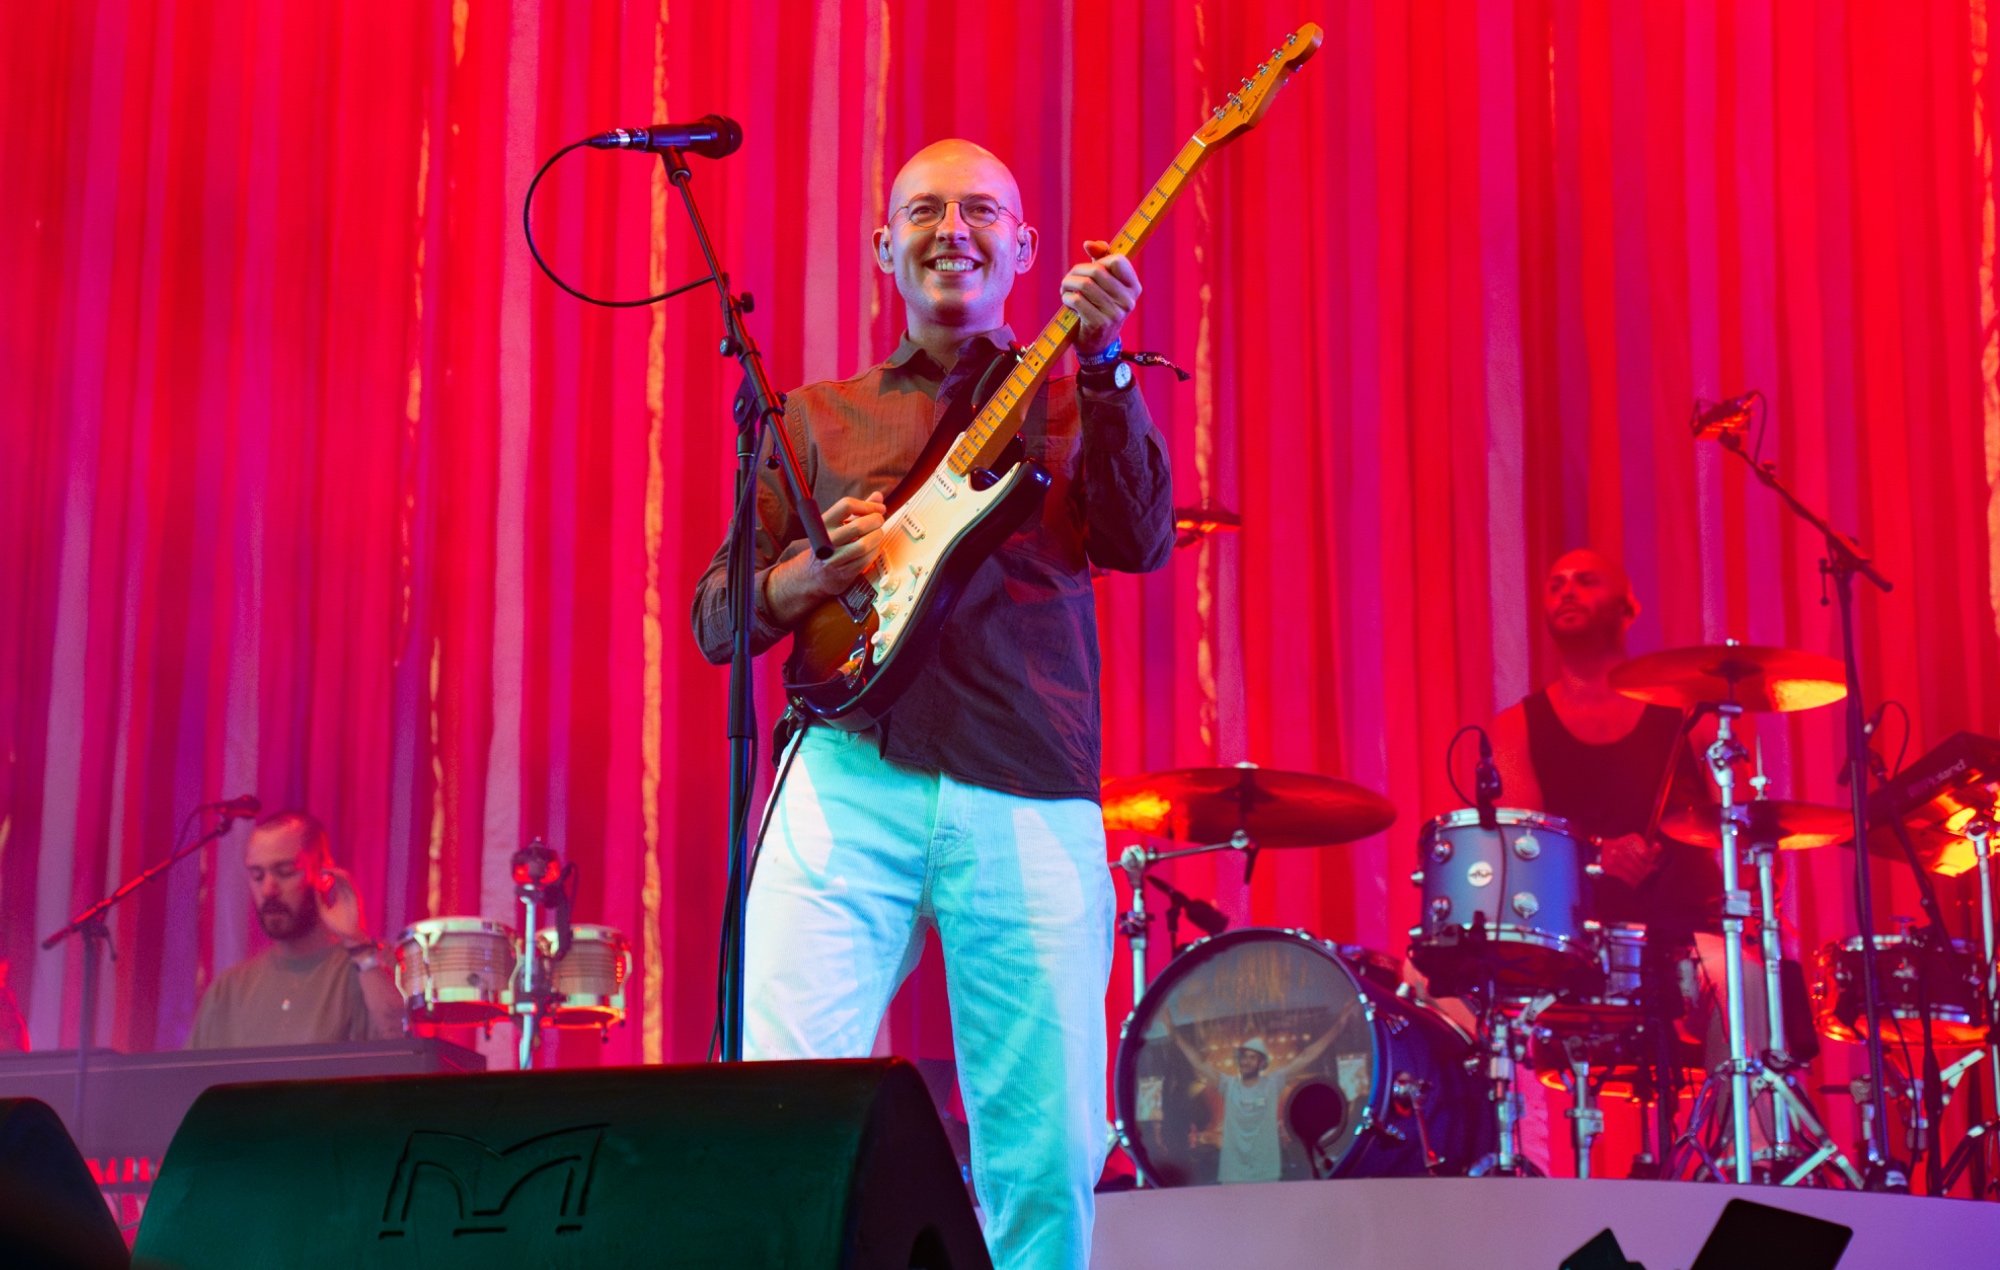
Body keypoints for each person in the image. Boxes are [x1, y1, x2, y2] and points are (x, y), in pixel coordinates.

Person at [690, 139, 1173, 1270]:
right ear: (881, 249)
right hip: (843, 779)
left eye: (978, 210)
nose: (949, 228)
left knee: (1043, 1156)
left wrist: (1104, 370)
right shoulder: (812, 418)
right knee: (782, 1117)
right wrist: (802, 579)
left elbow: (1139, 539)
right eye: (921, 210)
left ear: (1024, 247)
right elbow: (719, 614)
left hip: (1025, 782)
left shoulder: (1069, 394)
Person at [188, 810, 403, 1049]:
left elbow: (403, 1050)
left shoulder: (376, 965)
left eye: (286, 872)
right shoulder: (228, 990)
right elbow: (188, 1082)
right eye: (257, 875)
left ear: (324, 874)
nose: (269, 890)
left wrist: (358, 946)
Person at [1172, 1031, 1340, 1183]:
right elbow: (1200, 1063)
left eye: (1253, 1057)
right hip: (1234, 1175)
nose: (1247, 1061)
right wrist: (1174, 1032)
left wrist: (1338, 1027)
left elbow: (1305, 1057)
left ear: (1261, 1063)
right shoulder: (1228, 1085)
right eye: (1244, 1057)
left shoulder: (1272, 1083)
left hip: (1266, 1174)